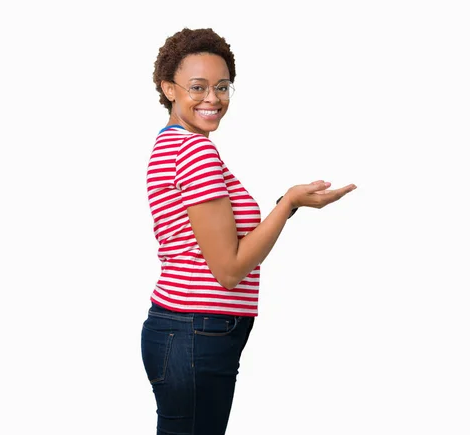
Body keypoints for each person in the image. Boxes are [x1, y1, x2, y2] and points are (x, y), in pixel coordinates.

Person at [141, 27, 357, 435]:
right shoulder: (196, 151)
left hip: (184, 329)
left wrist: (285, 207)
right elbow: (230, 268)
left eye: (223, 87)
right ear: (169, 89)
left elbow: (221, 244)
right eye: (198, 87)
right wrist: (290, 202)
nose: (213, 98)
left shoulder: (170, 143)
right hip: (196, 331)